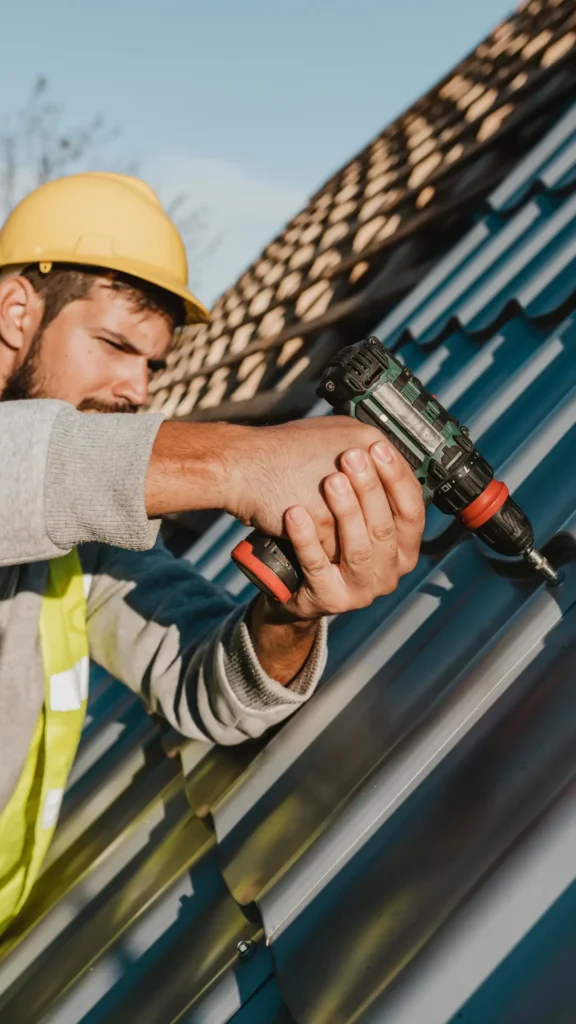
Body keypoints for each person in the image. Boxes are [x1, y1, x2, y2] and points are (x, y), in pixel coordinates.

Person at [0, 172, 425, 933]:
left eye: (154, 365)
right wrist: (233, 463)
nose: (138, 389)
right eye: (113, 345)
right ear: (15, 313)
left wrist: (290, 613)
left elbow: (208, 684)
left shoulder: (79, 550)